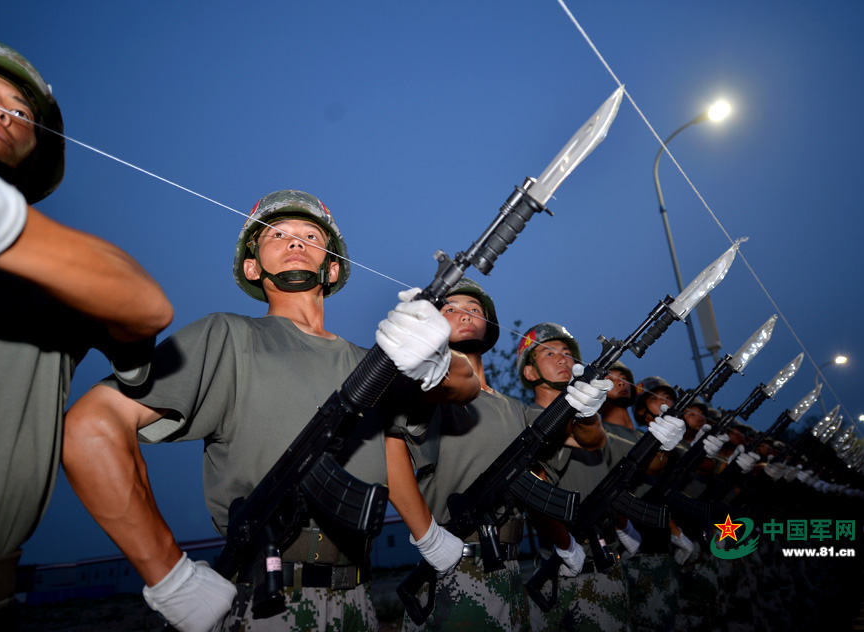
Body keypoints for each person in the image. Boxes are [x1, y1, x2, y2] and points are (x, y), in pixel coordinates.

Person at [62, 190, 478, 632]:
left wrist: (437, 362)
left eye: (310, 235)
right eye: (276, 234)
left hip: (360, 598)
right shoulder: (227, 337)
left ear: (331, 266)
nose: (295, 242)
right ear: (252, 266)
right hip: (264, 601)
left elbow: (465, 388)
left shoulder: (368, 365)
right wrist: (169, 576)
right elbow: (91, 426)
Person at [0, 36, 173, 626]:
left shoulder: (63, 277)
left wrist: (1, 224)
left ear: (35, 143)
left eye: (18, 109)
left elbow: (145, 306)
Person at [394, 282, 610, 631]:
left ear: (489, 327)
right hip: (453, 561)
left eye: (474, 309)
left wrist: (586, 411)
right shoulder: (427, 391)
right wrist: (427, 536)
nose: (464, 312)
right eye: (450, 308)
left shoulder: (515, 410)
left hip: (508, 568)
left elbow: (589, 441)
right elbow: (392, 455)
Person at [515, 322, 634, 631]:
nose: (562, 359)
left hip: (608, 559)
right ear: (529, 373)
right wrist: (565, 543)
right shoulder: (523, 420)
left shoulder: (590, 421)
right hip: (564, 564)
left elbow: (595, 447)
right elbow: (533, 488)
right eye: (549, 353)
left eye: (567, 353)